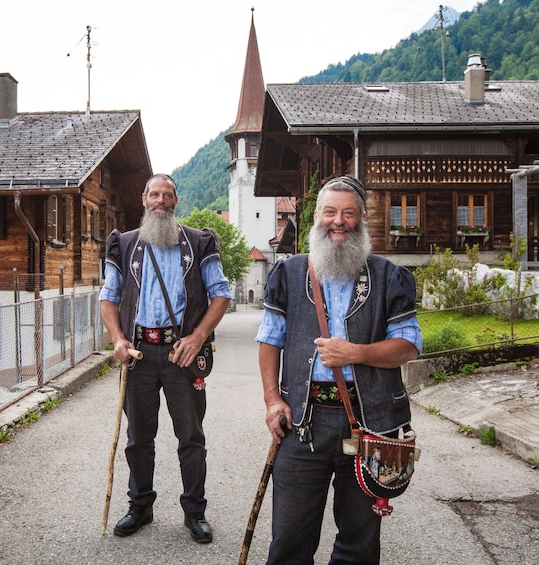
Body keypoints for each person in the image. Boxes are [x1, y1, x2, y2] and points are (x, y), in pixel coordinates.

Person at [256, 175, 422, 564]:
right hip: (302, 423)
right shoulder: (289, 273)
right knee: (289, 540)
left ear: (362, 218)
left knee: (359, 543)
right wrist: (271, 400)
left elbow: (409, 346)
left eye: (349, 213)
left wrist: (356, 353)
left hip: (372, 425)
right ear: (317, 216)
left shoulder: (389, 276)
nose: (339, 221)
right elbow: (269, 339)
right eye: (330, 211)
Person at [99, 173, 231, 544]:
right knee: (138, 436)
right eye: (154, 194)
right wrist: (118, 339)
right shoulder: (123, 245)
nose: (161, 200)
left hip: (181, 353)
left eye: (167, 195)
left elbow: (220, 294)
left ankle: (195, 510)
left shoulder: (199, 243)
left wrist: (198, 336)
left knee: (190, 436)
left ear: (176, 201)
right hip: (138, 354)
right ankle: (140, 505)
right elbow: (108, 297)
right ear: (144, 199)